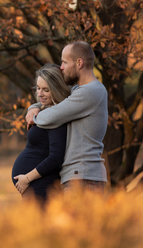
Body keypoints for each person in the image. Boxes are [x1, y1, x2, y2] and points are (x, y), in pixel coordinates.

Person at [25, 41, 108, 194]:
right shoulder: (79, 90)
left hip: (83, 178)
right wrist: (34, 107)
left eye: (64, 62)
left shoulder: (90, 92)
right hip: (79, 176)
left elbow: (51, 116)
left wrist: (35, 116)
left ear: (79, 63)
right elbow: (53, 98)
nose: (61, 67)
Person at [12, 63, 71, 201]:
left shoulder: (56, 116)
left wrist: (27, 178)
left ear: (56, 89)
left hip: (41, 186)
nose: (39, 93)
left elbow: (55, 158)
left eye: (46, 90)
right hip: (35, 186)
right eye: (38, 88)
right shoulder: (46, 111)